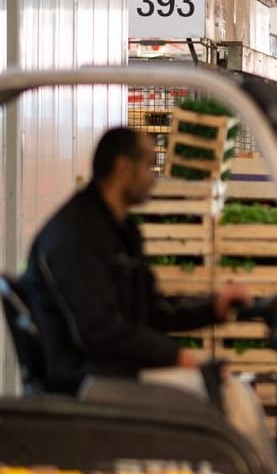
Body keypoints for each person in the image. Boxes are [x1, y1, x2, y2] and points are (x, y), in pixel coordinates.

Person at [19, 127, 247, 396]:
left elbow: (152, 309)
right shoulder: (74, 235)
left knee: (230, 388)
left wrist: (213, 307)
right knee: (219, 394)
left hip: (114, 369)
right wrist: (176, 356)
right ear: (124, 167)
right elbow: (99, 331)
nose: (154, 178)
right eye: (149, 166)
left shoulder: (121, 230)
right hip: (83, 380)